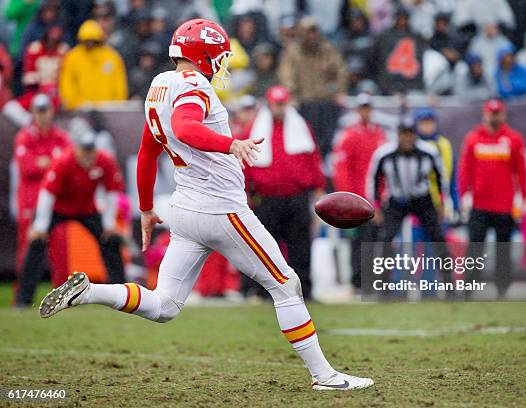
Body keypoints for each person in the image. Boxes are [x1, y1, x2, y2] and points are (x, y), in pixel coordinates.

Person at [39, 18, 373, 391]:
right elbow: (184, 128)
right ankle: (325, 376)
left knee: (164, 306)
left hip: (185, 209)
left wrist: (147, 208)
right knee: (286, 283)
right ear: (206, 55)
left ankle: (89, 292)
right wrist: (230, 144)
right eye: (220, 56)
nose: (222, 64)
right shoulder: (195, 85)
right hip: (220, 208)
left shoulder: (159, 84)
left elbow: (148, 151)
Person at [16, 127, 126, 306]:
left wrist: (108, 223)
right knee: (36, 243)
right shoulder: (63, 161)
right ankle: (23, 301)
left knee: (111, 240)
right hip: (57, 210)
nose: (88, 156)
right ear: (76, 149)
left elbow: (112, 191)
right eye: (84, 151)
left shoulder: (104, 160)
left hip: (86, 210)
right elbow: (47, 193)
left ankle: (122, 295)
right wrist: (41, 226)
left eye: (91, 151)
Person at [242, 85, 325, 300]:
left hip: (296, 197)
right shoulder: (255, 128)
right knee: (266, 248)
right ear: (270, 104)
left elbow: (312, 157)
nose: (279, 108)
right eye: (276, 104)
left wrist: (318, 187)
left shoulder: (300, 127)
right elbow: (245, 160)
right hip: (267, 198)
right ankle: (263, 292)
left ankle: (304, 290)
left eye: (282, 103)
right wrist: (245, 191)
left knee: (301, 246)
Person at [367, 118, 452, 287]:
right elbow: (373, 179)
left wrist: (442, 203)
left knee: (438, 237)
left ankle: (449, 285)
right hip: (396, 200)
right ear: (398, 135)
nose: (407, 139)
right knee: (385, 239)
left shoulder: (428, 151)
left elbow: (441, 177)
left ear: (415, 135)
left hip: (422, 199)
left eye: (410, 134)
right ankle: (384, 287)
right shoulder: (384, 153)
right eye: (403, 135)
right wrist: (375, 206)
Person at [458, 99, 526, 298]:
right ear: (485, 114)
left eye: (498, 113)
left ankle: (502, 289)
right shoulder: (473, 138)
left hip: (504, 205)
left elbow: (521, 171)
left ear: (503, 115)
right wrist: (464, 195)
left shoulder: (513, 139)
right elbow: (465, 170)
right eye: (491, 113)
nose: (494, 117)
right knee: (475, 248)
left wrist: (522, 197)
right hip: (479, 204)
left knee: (503, 249)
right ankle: (469, 289)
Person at [332, 93, 386, 289]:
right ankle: (358, 281)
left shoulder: (379, 135)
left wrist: (381, 197)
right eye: (362, 107)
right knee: (358, 241)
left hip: (375, 199)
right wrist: (348, 198)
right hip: (357, 200)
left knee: (374, 240)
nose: (365, 111)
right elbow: (342, 170)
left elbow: (383, 171)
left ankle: (373, 280)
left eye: (367, 107)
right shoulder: (350, 136)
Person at [12, 93, 71, 269]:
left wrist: (44, 162)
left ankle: (64, 294)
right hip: (31, 200)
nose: (42, 115)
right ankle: (22, 296)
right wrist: (53, 162)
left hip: (56, 201)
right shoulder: (25, 137)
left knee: (61, 250)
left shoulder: (60, 136)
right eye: (39, 111)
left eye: (45, 110)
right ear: (33, 112)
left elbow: (67, 168)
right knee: (27, 249)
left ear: (52, 111)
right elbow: (28, 168)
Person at [278, 17, 348, 157]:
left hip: (326, 102)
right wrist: (292, 95)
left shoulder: (327, 50)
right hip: (304, 103)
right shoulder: (293, 52)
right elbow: (286, 75)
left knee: (327, 139)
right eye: (308, 32)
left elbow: (340, 71)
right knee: (307, 138)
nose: (311, 36)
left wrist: (339, 91)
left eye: (314, 32)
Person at [58, 19, 128, 110]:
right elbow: (67, 84)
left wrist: (117, 105)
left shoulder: (112, 57)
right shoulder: (73, 57)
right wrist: (73, 103)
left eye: (93, 41)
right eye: (86, 41)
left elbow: (120, 85)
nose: (90, 44)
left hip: (108, 109)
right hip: (81, 109)